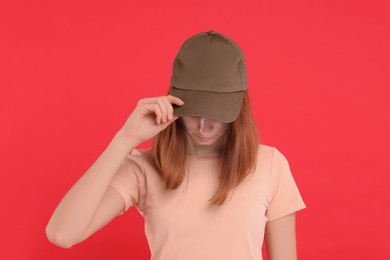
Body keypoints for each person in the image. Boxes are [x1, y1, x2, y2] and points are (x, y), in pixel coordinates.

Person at [46, 30, 306, 260]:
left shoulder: (270, 165)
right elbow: (61, 234)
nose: (204, 127)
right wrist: (126, 138)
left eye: (216, 114)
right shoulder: (144, 168)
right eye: (193, 112)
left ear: (239, 108)